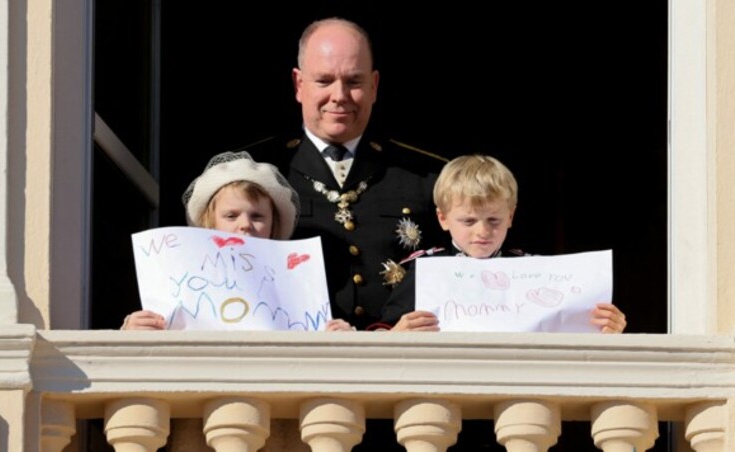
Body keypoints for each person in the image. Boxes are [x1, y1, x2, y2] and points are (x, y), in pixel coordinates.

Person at [243, 17, 449, 331]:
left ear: (374, 85)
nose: (339, 95)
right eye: (324, 81)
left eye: (353, 81)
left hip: (403, 364)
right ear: (299, 85)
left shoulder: (428, 176)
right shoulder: (255, 171)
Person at [373, 154, 628, 334]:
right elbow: (383, 333)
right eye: (469, 220)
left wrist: (607, 327)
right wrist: (397, 332)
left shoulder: (535, 271)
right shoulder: (423, 270)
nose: (482, 231)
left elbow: (575, 330)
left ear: (511, 217)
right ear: (443, 218)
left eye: (493, 219)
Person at [121, 151, 353, 332]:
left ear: (274, 226)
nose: (244, 225)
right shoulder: (175, 278)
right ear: (209, 225)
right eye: (231, 216)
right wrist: (133, 331)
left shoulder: (301, 286)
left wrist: (338, 338)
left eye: (257, 216)